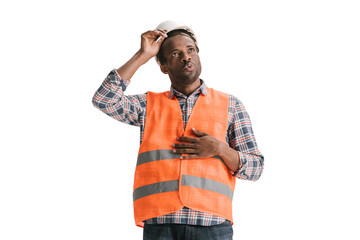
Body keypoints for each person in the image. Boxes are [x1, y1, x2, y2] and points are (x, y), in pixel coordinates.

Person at [92, 20, 264, 240]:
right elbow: (104, 99)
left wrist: (220, 149)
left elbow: (256, 168)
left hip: (211, 224)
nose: (186, 57)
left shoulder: (230, 105)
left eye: (190, 50)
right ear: (163, 66)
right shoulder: (148, 105)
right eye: (175, 54)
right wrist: (142, 56)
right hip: (161, 223)